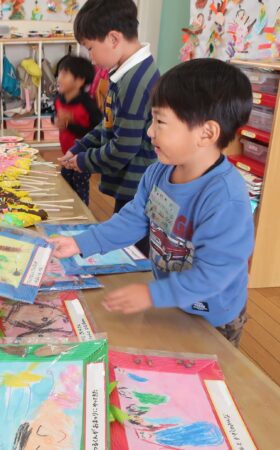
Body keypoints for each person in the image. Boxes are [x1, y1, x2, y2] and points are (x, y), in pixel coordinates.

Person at [49, 58, 254, 347]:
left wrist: (151, 294)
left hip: (213, 314)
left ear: (206, 133)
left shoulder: (225, 198)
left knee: (206, 363)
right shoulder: (159, 172)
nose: (149, 131)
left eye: (160, 122)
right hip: (170, 297)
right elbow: (133, 219)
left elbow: (213, 275)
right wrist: (80, 243)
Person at [59, 0, 160, 255]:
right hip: (130, 186)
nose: (91, 58)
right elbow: (108, 123)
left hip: (136, 188)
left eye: (90, 48)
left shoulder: (135, 82)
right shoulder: (124, 73)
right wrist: (81, 146)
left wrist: (84, 161)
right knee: (125, 244)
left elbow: (123, 147)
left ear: (114, 39)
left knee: (134, 254)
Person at [53, 56, 102, 205]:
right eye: (59, 73)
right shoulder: (59, 98)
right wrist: (56, 120)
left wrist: (69, 124)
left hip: (83, 157)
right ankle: (67, 210)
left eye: (64, 74)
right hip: (66, 153)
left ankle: (82, 213)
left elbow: (96, 131)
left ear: (79, 81)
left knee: (80, 188)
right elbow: (54, 116)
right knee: (65, 184)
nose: (59, 78)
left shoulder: (88, 104)